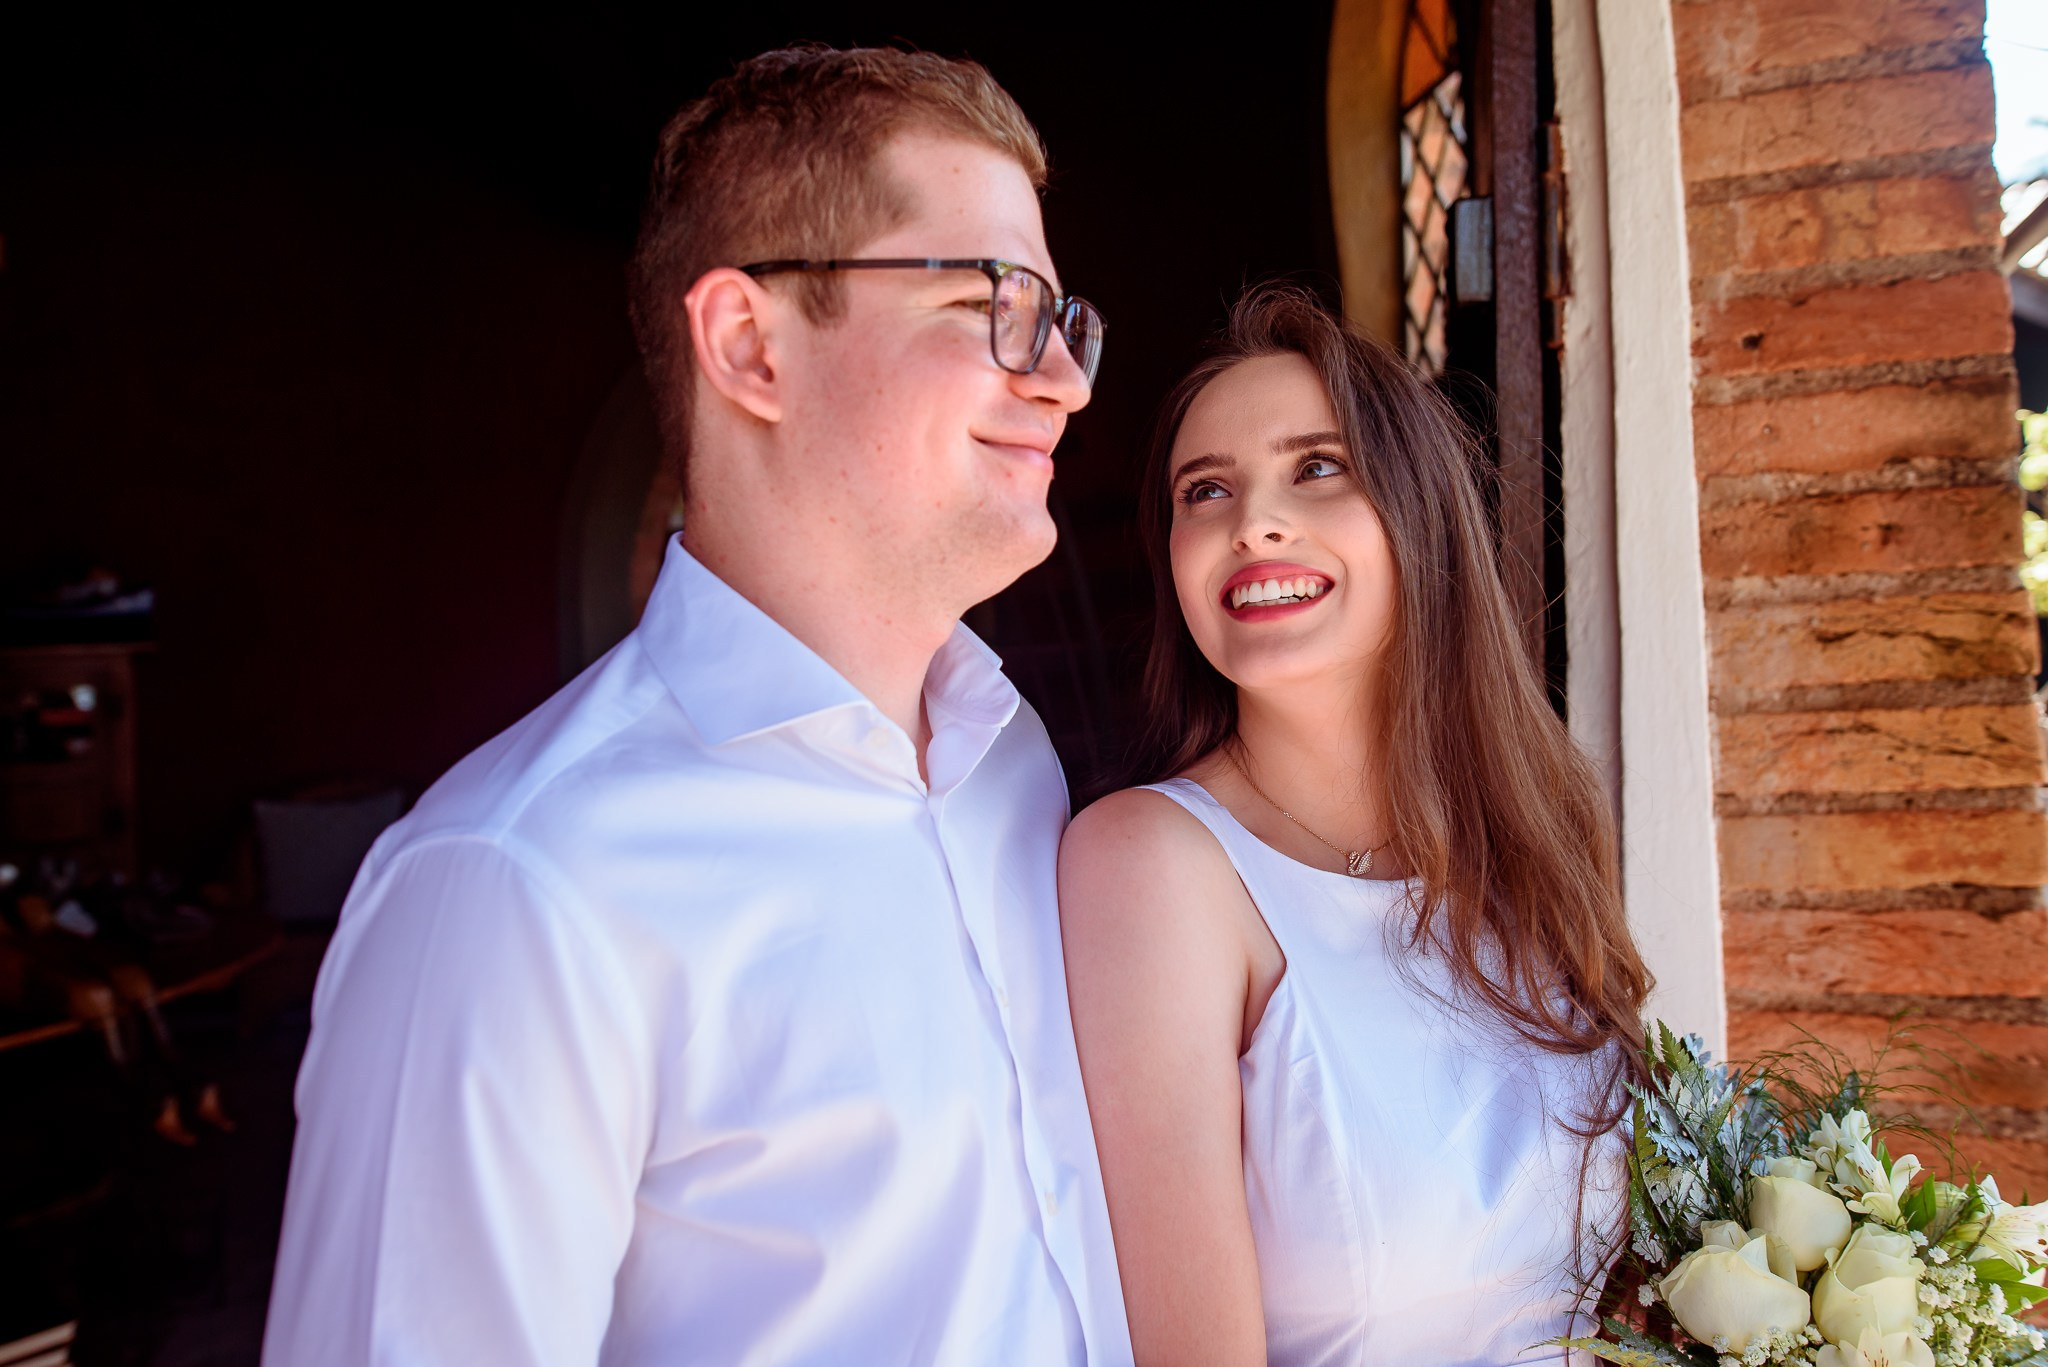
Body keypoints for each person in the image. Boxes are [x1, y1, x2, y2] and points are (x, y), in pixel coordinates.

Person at [264, 45, 1129, 1366]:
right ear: (749, 345)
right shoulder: (511, 886)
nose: (1062, 379)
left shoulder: (1017, 769)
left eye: (1063, 319)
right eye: (993, 301)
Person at [1059, 283, 1651, 1366]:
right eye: (1205, 490)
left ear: (1418, 512)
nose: (1254, 521)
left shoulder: (1532, 835)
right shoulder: (1150, 866)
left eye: (1315, 467)